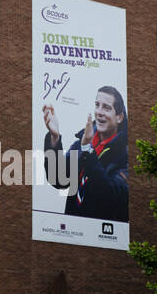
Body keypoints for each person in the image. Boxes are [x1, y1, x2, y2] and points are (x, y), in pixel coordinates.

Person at [41, 86, 129, 223]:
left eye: (106, 107)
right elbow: (58, 179)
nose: (99, 112)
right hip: (72, 232)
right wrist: (55, 138)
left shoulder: (126, 156)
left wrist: (88, 150)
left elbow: (110, 196)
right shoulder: (82, 143)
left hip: (103, 238)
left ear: (119, 117)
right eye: (97, 105)